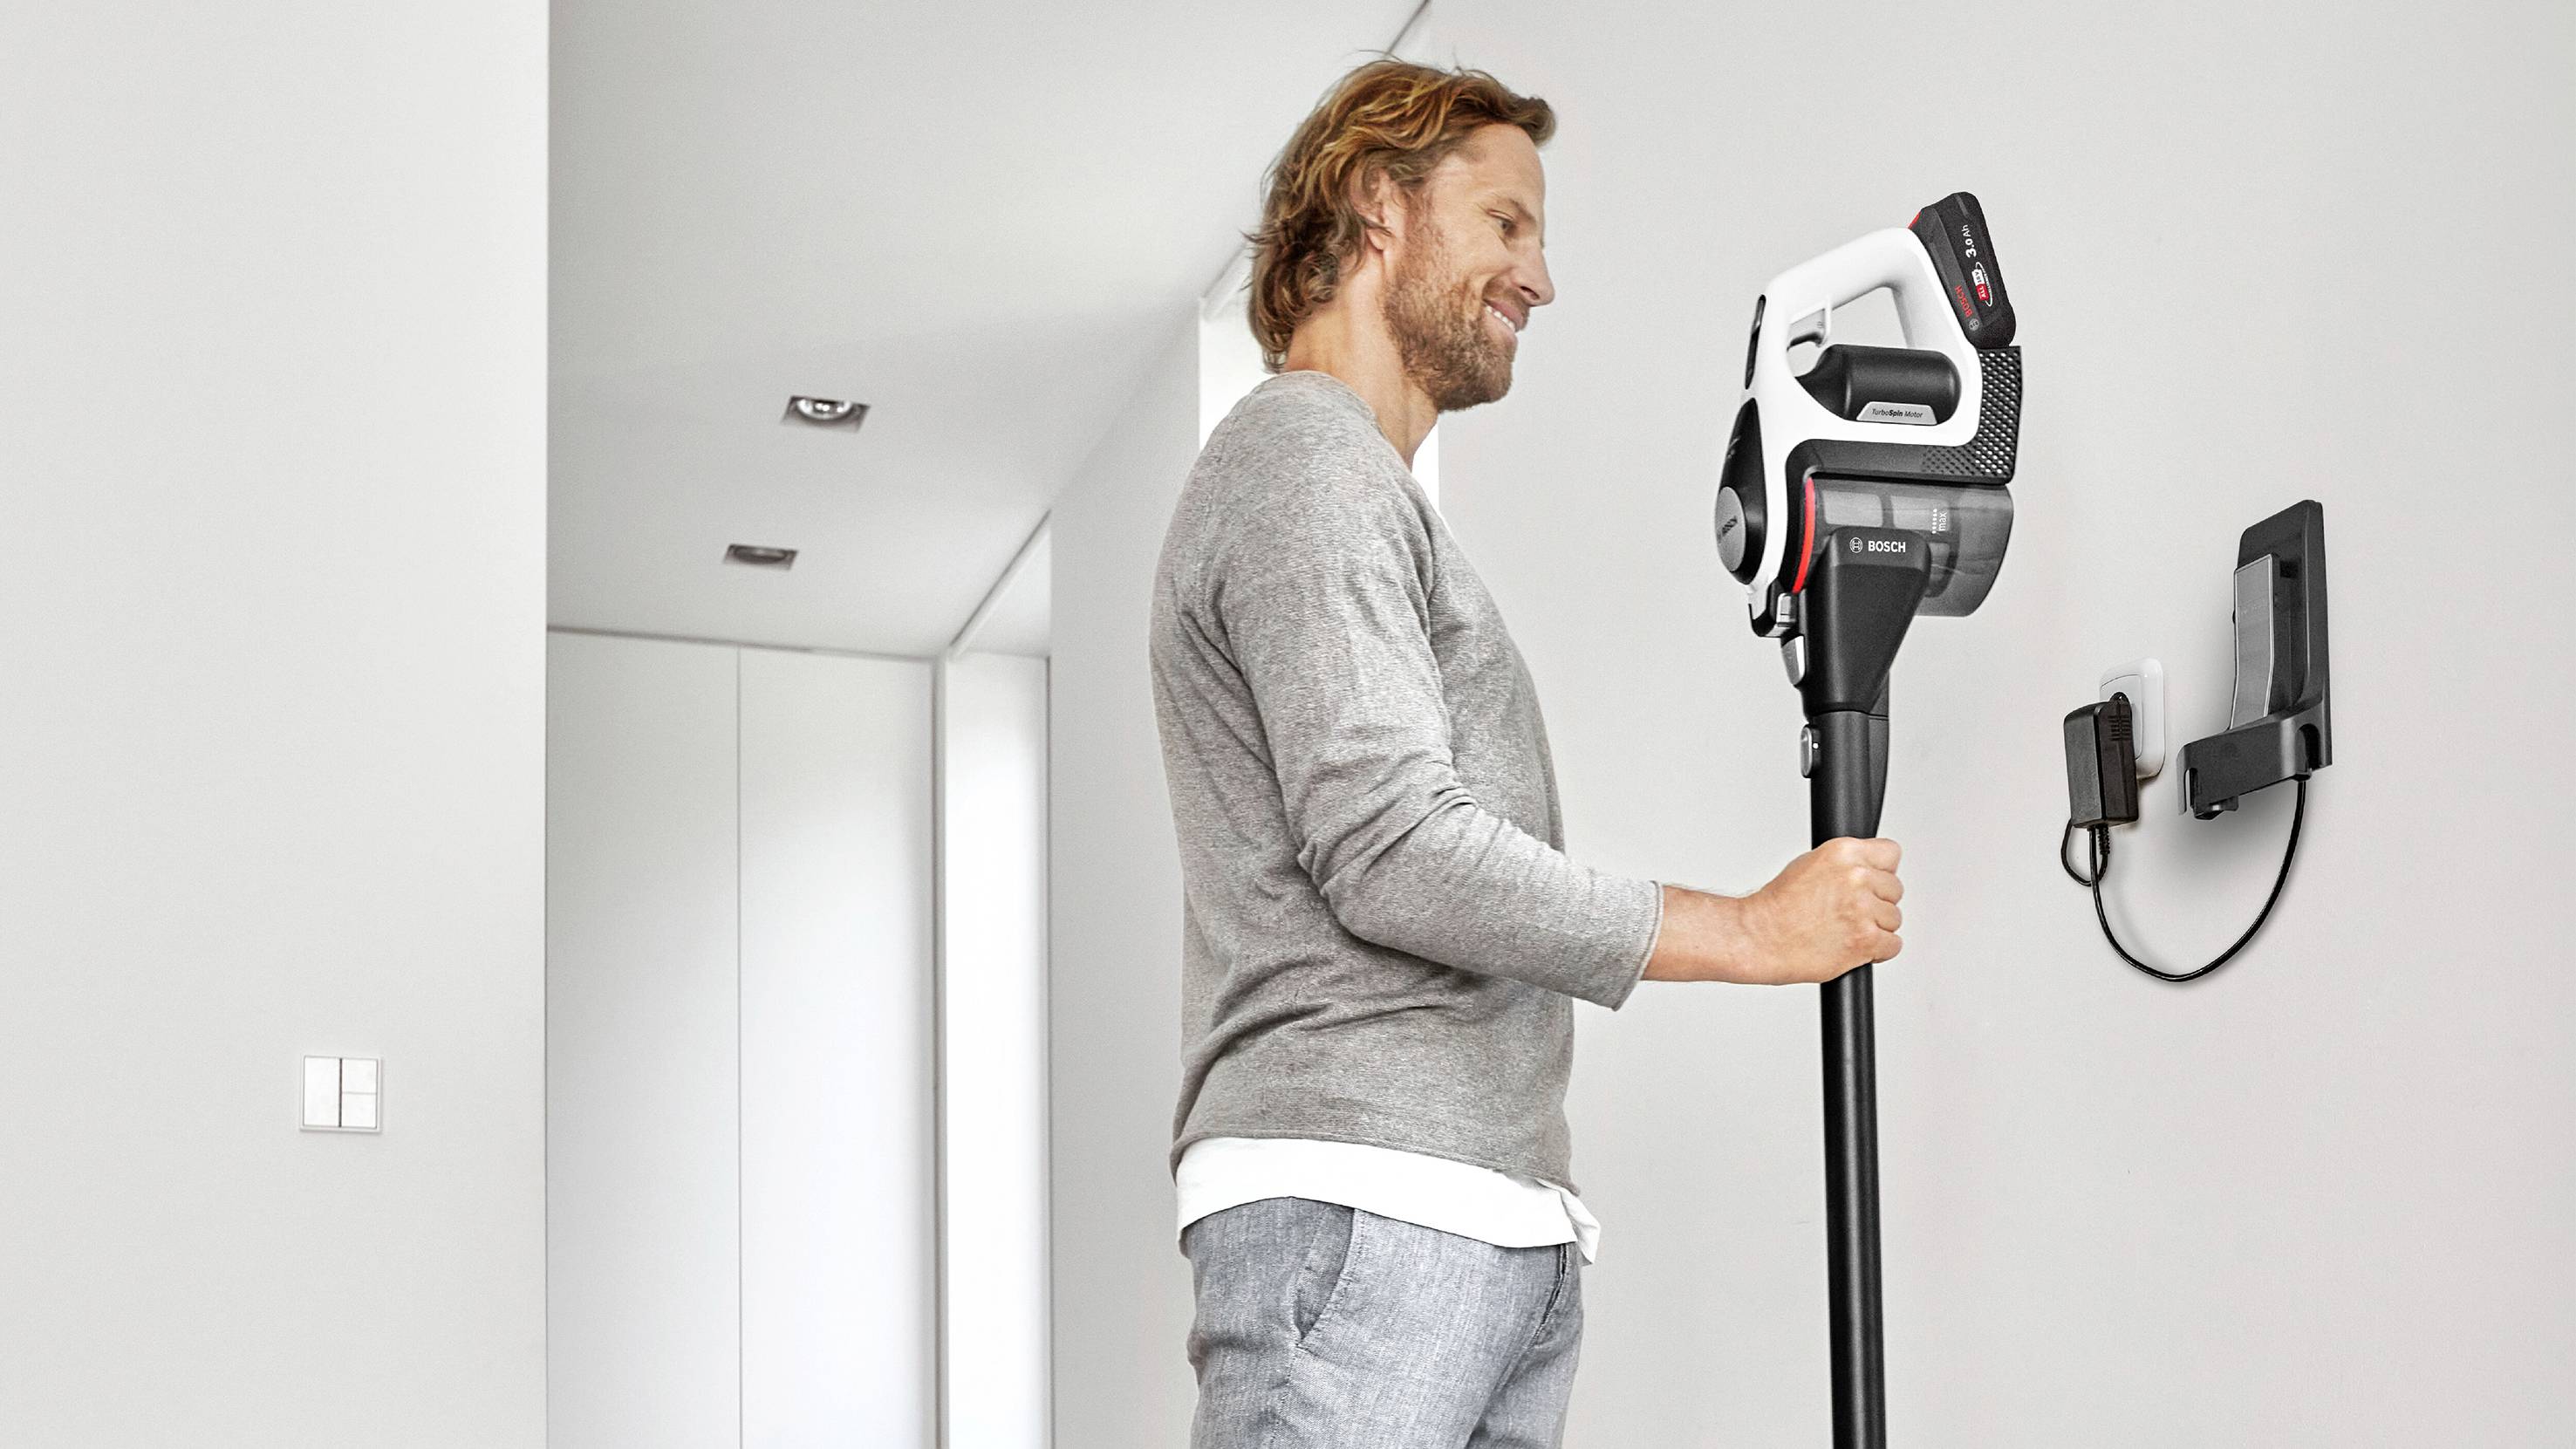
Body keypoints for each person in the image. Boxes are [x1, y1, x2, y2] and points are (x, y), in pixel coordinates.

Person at [1150, 58, 1905, 1448]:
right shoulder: (1300, 462)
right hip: (1366, 1209)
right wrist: (1744, 929)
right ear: (1380, 209)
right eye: (1505, 223)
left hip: (1465, 1219)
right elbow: (1391, 849)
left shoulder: (1365, 494)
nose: (1538, 275)